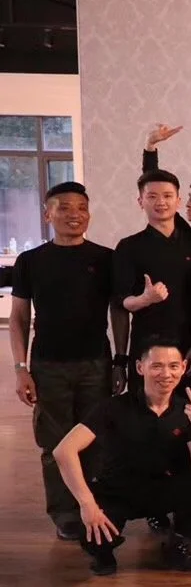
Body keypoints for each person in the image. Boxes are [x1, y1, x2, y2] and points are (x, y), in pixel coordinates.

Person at [11, 180, 122, 540]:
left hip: (96, 363)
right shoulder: (30, 261)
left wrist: (120, 360)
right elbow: (18, 317)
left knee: (96, 438)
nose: (75, 214)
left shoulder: (105, 259)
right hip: (48, 365)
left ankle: (96, 505)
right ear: (48, 214)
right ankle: (65, 513)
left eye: (81, 208)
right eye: (64, 208)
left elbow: (119, 311)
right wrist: (21, 368)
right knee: (54, 442)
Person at [53, 340, 191, 575]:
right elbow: (63, 450)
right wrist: (87, 504)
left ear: (183, 367)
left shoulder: (187, 410)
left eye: (173, 366)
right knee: (93, 538)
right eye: (157, 366)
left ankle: (177, 544)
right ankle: (104, 553)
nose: (166, 374)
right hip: (118, 490)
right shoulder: (113, 407)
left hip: (163, 489)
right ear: (140, 367)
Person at [115, 169, 191, 370]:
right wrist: (145, 299)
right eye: (152, 196)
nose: (161, 202)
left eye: (167, 196)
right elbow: (122, 301)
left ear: (178, 201)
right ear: (140, 202)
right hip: (147, 343)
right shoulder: (129, 246)